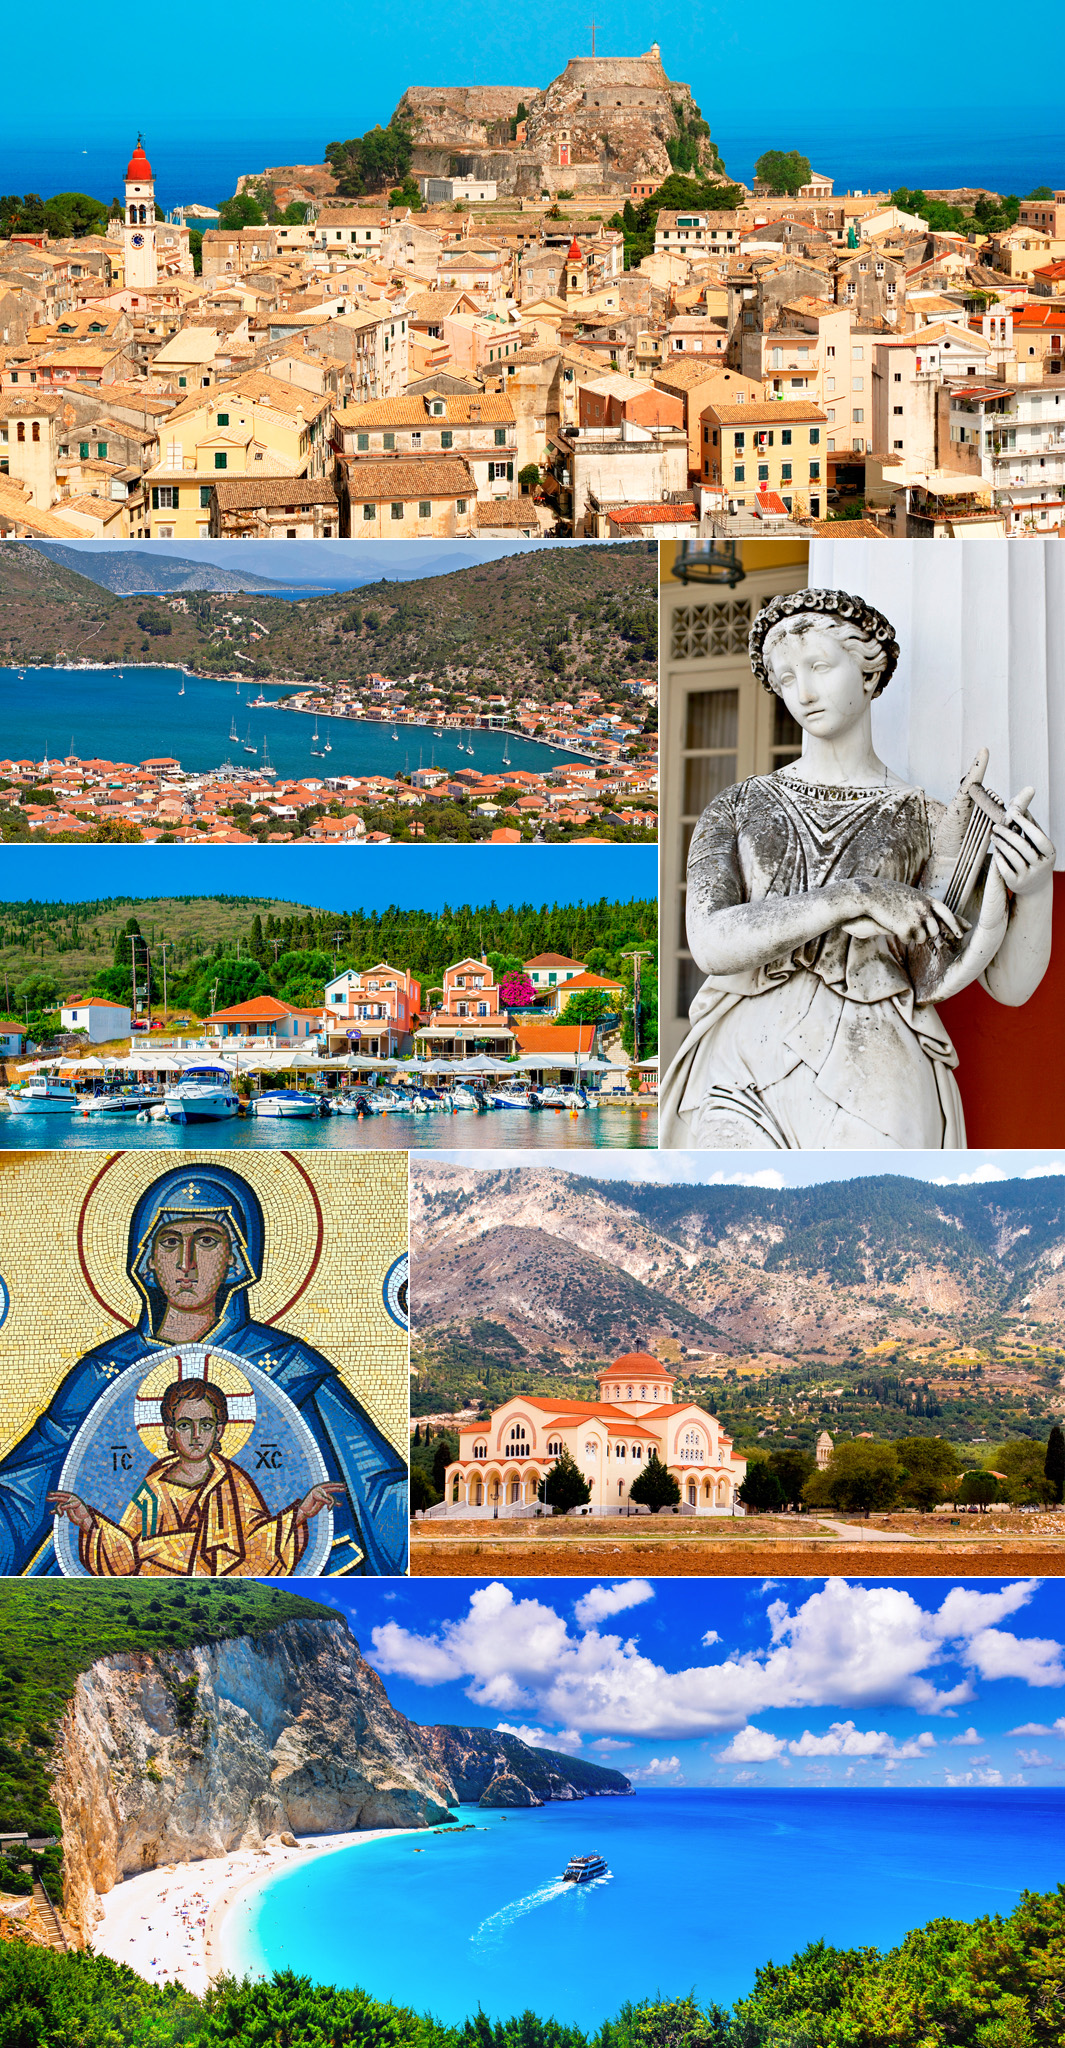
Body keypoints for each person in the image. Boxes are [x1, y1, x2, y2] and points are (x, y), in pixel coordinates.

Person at [661, 587, 1055, 1150]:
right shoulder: (738, 806)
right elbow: (710, 942)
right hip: (743, 1059)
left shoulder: (928, 820)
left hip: (877, 1058)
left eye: (820, 666)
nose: (803, 691)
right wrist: (855, 896)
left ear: (869, 674)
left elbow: (1008, 987)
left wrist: (1035, 893)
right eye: (786, 676)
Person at [0, 1164, 407, 1575]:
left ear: (235, 1259)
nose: (186, 1263)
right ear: (148, 1261)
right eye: (170, 1242)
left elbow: (378, 1488)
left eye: (207, 1241)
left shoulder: (289, 1364)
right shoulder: (102, 1372)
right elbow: (20, 1496)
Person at [48, 1376, 344, 1576]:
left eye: (205, 1424)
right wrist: (87, 1520)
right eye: (185, 1425)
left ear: (219, 1430)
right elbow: (125, 1555)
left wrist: (300, 1514)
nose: (196, 1435)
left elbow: (256, 1545)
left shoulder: (233, 1481)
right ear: (169, 1431)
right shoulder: (154, 1486)